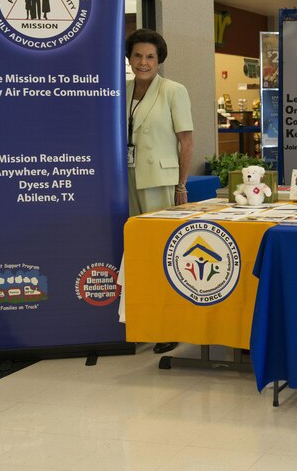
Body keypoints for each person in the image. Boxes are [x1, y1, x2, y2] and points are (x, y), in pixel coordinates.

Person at [125, 28, 194, 354]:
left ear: (159, 60)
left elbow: (186, 141)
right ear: (129, 58)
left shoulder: (172, 90)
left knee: (165, 253)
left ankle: (171, 325)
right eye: (137, 55)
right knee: (137, 255)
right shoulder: (121, 90)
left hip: (161, 180)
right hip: (127, 180)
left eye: (150, 56)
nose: (143, 62)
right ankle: (143, 322)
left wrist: (182, 185)